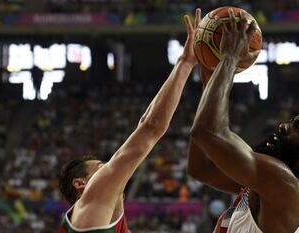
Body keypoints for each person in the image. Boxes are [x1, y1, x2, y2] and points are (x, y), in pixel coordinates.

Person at [188, 9, 299, 233]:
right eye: (291, 121)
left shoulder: (286, 185)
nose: (283, 126)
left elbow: (207, 132)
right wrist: (208, 84)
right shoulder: (262, 181)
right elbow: (200, 168)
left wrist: (230, 58)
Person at [57, 9, 202, 233]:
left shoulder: (90, 216)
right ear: (80, 184)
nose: (112, 168)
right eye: (103, 167)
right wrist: (184, 64)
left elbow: (146, 123)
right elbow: (151, 128)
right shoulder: (95, 195)